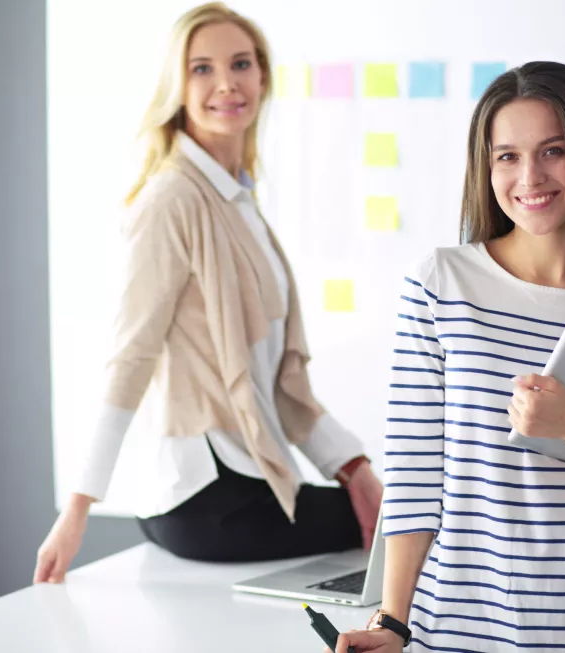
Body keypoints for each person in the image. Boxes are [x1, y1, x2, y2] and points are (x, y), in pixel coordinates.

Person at [334, 61, 565, 652]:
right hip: (460, 632)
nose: (530, 176)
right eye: (507, 155)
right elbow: (414, 478)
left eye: (553, 150)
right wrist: (393, 623)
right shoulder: (441, 283)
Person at [33, 2, 382, 583]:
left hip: (249, 483)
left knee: (398, 512)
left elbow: (282, 380)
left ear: (263, 77)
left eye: (241, 64)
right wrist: (78, 508)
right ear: (177, 85)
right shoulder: (172, 199)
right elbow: (131, 356)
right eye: (201, 69)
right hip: (206, 498)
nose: (226, 83)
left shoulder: (239, 202)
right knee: (417, 519)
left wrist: (354, 466)